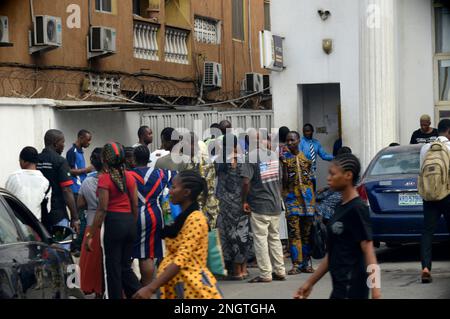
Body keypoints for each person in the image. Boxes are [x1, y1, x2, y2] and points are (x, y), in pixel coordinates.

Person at [294, 153, 381, 299]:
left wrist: (376, 293)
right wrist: (309, 283)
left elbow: (369, 252)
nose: (328, 178)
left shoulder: (357, 208)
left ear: (348, 175)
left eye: (333, 174)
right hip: (339, 289)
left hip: (352, 289)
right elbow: (332, 255)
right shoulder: (340, 207)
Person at [132, 170, 223, 299]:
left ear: (186, 192)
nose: (170, 191)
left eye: (174, 187)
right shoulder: (182, 217)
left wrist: (151, 287)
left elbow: (181, 259)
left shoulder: (196, 219)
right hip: (179, 287)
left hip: (192, 290)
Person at [85, 142, 141, 299]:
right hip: (129, 221)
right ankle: (139, 293)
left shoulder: (104, 179)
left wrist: (91, 235)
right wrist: (132, 223)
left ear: (105, 159)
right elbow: (135, 204)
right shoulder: (129, 177)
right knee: (125, 267)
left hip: (114, 223)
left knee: (113, 269)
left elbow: (102, 209)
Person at [242, 131, 286, 283]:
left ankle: (266, 274)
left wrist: (244, 200)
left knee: (260, 239)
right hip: (275, 204)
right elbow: (280, 181)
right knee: (274, 237)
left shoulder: (250, 158)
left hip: (259, 204)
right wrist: (278, 198)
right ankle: (280, 270)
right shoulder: (274, 156)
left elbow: (246, 182)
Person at [131, 146, 170, 286]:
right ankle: (147, 285)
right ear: (148, 158)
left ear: (134, 159)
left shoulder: (128, 175)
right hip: (155, 215)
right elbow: (176, 180)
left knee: (134, 254)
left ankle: (137, 286)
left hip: (133, 216)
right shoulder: (161, 173)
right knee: (147, 254)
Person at [215, 134, 251, 280]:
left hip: (224, 204)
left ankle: (235, 270)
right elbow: (246, 183)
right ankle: (243, 269)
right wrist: (245, 200)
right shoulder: (242, 159)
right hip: (240, 202)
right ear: (236, 145)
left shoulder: (219, 161)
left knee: (229, 236)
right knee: (242, 235)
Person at [418, 119, 450, 283]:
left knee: (427, 232)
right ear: (449, 132)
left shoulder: (425, 148)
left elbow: (421, 170)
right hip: (447, 194)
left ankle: (425, 267)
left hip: (429, 195)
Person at [281, 131, 316, 275]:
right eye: (287, 141)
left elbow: (312, 179)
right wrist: (283, 165)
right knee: (294, 232)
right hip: (291, 199)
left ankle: (307, 263)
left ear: (298, 141)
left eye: (292, 140)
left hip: (308, 200)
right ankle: (296, 264)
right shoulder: (284, 159)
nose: (289, 143)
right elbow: (284, 181)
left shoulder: (307, 157)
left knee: (306, 233)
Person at [37, 129, 79, 246]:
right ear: (56, 143)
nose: (63, 145)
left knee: (42, 252)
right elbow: (67, 190)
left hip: (39, 217)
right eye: (62, 142)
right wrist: (75, 218)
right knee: (61, 251)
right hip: (58, 216)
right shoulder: (60, 161)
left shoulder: (36, 160)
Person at [77, 147, 103, 298]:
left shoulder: (87, 181)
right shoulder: (114, 179)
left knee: (90, 261)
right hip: (108, 223)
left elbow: (80, 203)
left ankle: (92, 288)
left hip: (91, 222)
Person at [66, 129, 93, 255]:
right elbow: (69, 171)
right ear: (81, 138)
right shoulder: (72, 152)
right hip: (75, 190)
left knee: (82, 218)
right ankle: (75, 246)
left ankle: (78, 244)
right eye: (87, 140)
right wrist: (86, 170)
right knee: (78, 218)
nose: (89, 143)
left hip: (81, 188)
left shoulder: (80, 151)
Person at [185, 132, 220, 229]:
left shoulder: (203, 162)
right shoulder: (191, 160)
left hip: (205, 209)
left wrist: (199, 211)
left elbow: (205, 189)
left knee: (209, 241)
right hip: (196, 208)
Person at [5, 146, 50, 221]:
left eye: (19, 160)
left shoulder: (13, 177)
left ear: (23, 161)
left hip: (16, 224)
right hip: (35, 226)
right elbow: (47, 209)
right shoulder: (45, 182)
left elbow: (6, 200)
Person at [315, 147, 352, 224]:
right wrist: (325, 188)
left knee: (321, 203)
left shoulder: (343, 169)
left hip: (340, 197)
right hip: (341, 195)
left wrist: (317, 195)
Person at [299, 124, 334, 191]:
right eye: (304, 131)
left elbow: (324, 156)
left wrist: (336, 157)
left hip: (313, 173)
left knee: (313, 193)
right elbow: (299, 157)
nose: (306, 133)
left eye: (308, 131)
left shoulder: (316, 143)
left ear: (312, 131)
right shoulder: (300, 143)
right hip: (303, 174)